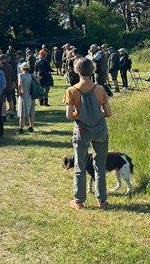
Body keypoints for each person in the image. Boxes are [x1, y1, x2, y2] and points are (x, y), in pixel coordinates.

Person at [64, 57, 112, 209]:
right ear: (92, 70)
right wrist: (97, 114)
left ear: (76, 70)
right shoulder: (100, 89)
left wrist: (80, 114)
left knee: (80, 164)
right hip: (100, 129)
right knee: (100, 165)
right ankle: (102, 200)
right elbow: (108, 113)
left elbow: (69, 116)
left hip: (82, 130)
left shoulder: (72, 90)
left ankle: (79, 201)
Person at [17, 63, 38, 133]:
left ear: (22, 68)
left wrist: (19, 92)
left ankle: (21, 128)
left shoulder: (20, 75)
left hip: (24, 95)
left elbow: (19, 84)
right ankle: (31, 127)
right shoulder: (31, 75)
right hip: (31, 95)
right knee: (31, 112)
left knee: (22, 113)